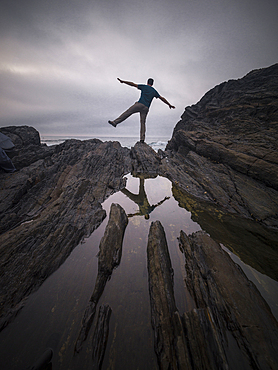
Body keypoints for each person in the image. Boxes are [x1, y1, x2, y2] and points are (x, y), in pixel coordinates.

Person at [108, 78, 175, 143]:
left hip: (140, 104)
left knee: (128, 112)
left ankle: (115, 122)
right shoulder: (154, 91)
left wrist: (123, 81)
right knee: (143, 123)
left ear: (147, 82)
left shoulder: (144, 87)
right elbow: (162, 98)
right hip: (146, 108)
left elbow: (133, 84)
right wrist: (169, 105)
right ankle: (142, 139)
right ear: (152, 84)